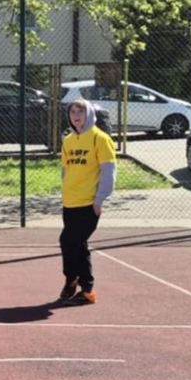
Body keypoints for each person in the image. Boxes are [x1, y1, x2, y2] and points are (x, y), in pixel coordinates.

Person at [56, 96, 115, 305]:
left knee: (68, 241)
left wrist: (99, 199)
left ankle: (73, 279)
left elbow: (108, 172)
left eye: (80, 112)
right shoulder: (69, 140)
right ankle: (85, 289)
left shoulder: (100, 139)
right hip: (70, 203)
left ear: (89, 114)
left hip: (89, 203)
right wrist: (65, 192)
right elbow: (66, 170)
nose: (76, 116)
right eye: (72, 112)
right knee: (79, 246)